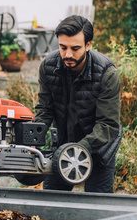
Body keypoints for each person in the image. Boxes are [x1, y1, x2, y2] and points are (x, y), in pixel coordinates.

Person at [34, 14, 122, 193]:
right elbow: (45, 110)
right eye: (62, 47)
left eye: (75, 48)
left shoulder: (107, 73)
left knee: (97, 208)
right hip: (62, 149)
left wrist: (78, 149)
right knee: (51, 202)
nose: (68, 54)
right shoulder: (48, 67)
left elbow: (108, 125)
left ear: (88, 45)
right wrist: (32, 141)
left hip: (99, 152)